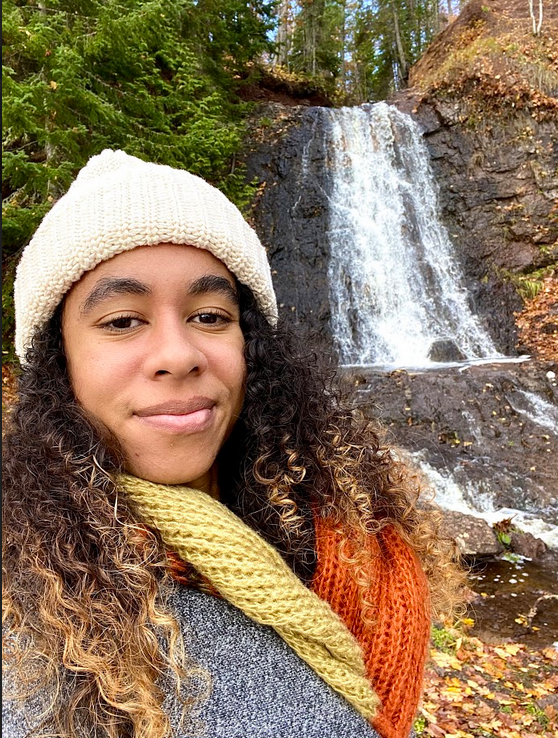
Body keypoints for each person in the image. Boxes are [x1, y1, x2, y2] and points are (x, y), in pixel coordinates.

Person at [3, 150, 463, 738]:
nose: (178, 354)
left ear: (255, 348)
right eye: (122, 320)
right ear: (58, 364)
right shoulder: (40, 622)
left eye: (211, 316)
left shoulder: (347, 539)